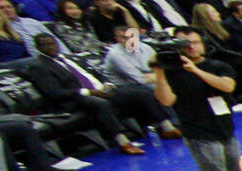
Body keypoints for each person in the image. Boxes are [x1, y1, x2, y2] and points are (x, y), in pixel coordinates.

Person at [28, 32, 181, 155]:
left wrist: (106, 85)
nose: (51, 47)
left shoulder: (70, 58)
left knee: (140, 92)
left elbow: (92, 74)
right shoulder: (39, 66)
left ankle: (167, 127)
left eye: (52, 43)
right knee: (100, 104)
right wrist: (89, 91)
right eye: (45, 45)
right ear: (37, 47)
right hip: (74, 99)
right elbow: (53, 93)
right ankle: (123, 142)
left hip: (101, 90)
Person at [152, 27, 242, 171]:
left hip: (224, 126)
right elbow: (166, 100)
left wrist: (195, 70)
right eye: (185, 44)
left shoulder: (218, 65)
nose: (191, 47)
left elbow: (227, 86)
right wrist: (159, 74)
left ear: (202, 44)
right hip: (197, 130)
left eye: (194, 42)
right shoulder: (171, 73)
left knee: (233, 168)